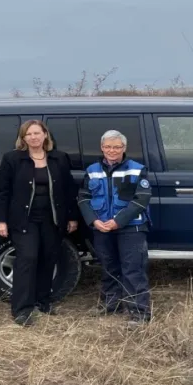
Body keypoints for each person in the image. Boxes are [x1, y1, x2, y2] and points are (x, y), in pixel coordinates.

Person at [0, 120, 78, 327]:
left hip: (53, 218)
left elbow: (69, 191)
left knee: (48, 258)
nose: (33, 137)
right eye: (28, 134)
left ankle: (43, 301)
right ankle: (22, 309)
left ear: (45, 135)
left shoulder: (59, 158)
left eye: (37, 133)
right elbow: (2, 192)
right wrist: (0, 220)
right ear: (23, 138)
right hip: (24, 219)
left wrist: (72, 216)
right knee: (27, 258)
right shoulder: (12, 159)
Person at [77, 129, 153, 325]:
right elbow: (83, 198)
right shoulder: (92, 170)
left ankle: (139, 313)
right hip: (101, 227)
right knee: (109, 267)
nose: (112, 150)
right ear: (102, 148)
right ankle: (110, 305)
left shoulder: (137, 169)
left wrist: (119, 221)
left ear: (124, 148)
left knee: (133, 269)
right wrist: (93, 221)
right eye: (108, 147)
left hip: (131, 227)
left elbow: (141, 199)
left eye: (117, 147)